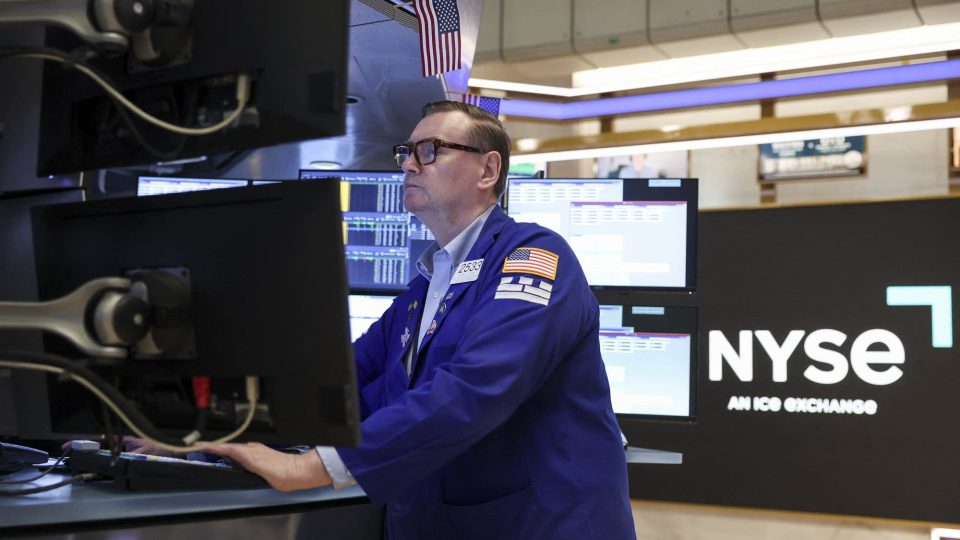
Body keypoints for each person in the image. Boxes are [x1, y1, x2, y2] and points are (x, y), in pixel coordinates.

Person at [209, 101, 635, 539]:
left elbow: (476, 388)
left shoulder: (533, 256)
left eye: (430, 150)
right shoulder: (424, 290)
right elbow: (343, 384)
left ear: (488, 170)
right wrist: (214, 433)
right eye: (406, 153)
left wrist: (310, 467)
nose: (409, 165)